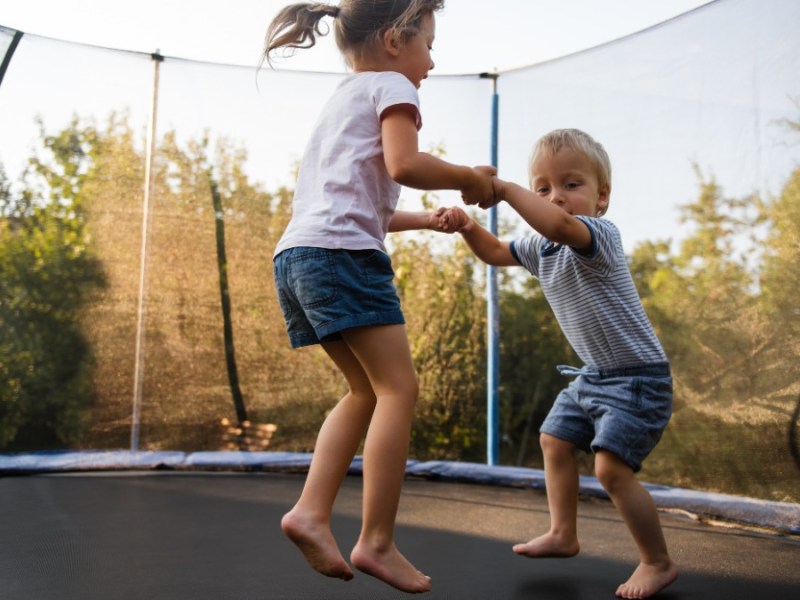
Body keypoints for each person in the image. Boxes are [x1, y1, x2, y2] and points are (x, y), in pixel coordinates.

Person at [262, 0, 495, 593]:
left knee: (365, 390)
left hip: (299, 258)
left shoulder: (341, 99)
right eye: (429, 45)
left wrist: (426, 221)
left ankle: (311, 513)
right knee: (399, 389)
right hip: (341, 258)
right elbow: (405, 162)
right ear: (395, 40)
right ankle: (377, 541)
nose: (432, 62)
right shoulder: (393, 84)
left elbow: (367, 208)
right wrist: (470, 178)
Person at [440, 128, 678, 599]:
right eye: (543, 187)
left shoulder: (599, 235)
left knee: (610, 471)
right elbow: (494, 252)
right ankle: (563, 534)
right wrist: (469, 227)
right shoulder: (537, 247)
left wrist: (507, 190)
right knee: (553, 440)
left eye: (571, 185)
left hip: (638, 379)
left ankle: (657, 561)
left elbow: (559, 227)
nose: (556, 198)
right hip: (592, 376)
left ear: (601, 196)